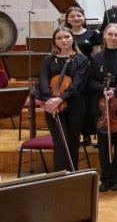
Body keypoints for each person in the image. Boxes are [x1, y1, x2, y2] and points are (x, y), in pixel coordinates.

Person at [37, 26, 90, 172]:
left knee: (73, 142)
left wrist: (61, 99)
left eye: (66, 37)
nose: (63, 40)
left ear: (73, 38)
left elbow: (79, 83)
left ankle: (72, 176)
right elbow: (42, 80)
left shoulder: (82, 59)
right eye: (59, 38)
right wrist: (50, 101)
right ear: (55, 41)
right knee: (60, 143)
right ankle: (60, 178)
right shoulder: (48, 59)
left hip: (75, 106)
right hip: (52, 106)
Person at [89, 23, 117, 191]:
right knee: (104, 144)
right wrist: (103, 89)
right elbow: (90, 80)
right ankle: (105, 177)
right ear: (104, 36)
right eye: (110, 34)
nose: (113, 38)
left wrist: (116, 90)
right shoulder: (96, 57)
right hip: (102, 106)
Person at [64, 6, 100, 145]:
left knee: (86, 104)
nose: (76, 18)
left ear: (83, 17)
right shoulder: (65, 34)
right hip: (69, 74)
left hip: (87, 74)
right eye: (72, 16)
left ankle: (87, 134)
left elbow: (96, 55)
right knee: (72, 104)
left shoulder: (92, 34)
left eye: (78, 15)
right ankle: (74, 134)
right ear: (67, 19)